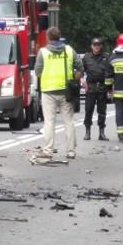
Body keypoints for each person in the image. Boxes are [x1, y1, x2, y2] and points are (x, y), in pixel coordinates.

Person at [34, 27, 83, 159]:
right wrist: (74, 80)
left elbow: (37, 72)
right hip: (66, 91)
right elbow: (80, 67)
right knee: (68, 121)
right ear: (59, 37)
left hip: (49, 91)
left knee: (49, 122)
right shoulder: (68, 50)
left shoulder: (43, 52)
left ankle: (48, 151)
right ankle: (70, 151)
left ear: (48, 37)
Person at [81, 37, 110, 141]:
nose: (96, 47)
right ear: (91, 46)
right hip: (91, 87)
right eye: (95, 45)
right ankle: (87, 132)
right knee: (88, 110)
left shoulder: (106, 57)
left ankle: (101, 133)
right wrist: (82, 80)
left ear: (101, 46)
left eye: (98, 45)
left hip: (102, 87)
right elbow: (80, 70)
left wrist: (110, 87)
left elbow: (110, 72)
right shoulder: (87, 57)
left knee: (102, 111)